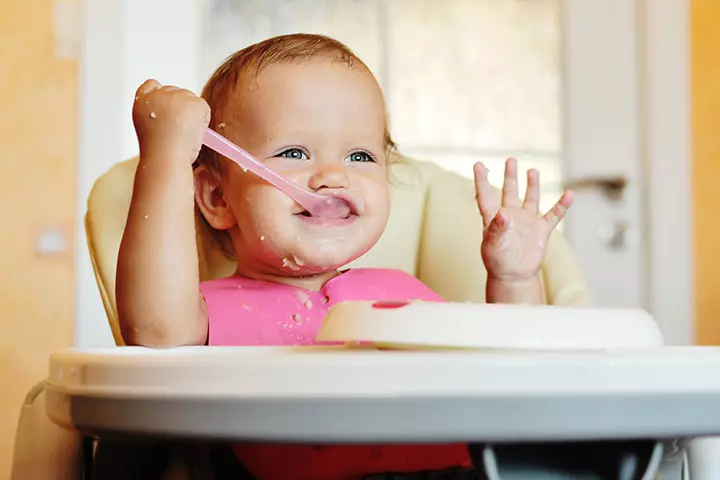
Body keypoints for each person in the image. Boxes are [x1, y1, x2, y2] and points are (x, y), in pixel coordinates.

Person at [116, 33, 574, 480]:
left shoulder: (402, 296)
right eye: (295, 152)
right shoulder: (205, 313)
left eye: (359, 155)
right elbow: (155, 331)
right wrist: (166, 154)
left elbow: (514, 379)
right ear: (218, 197)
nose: (333, 176)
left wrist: (514, 278)